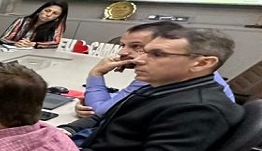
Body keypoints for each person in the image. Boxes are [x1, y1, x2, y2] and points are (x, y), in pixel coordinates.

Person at [67, 28, 244, 151]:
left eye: (157, 55)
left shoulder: (199, 110)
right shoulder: (165, 88)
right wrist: (67, 131)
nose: (140, 60)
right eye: (145, 51)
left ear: (202, 63)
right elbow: (108, 116)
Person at [71, 22, 234, 122]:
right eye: (123, 45)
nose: (123, 53)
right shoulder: (191, 77)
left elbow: (102, 111)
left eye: (136, 47)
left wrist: (96, 75)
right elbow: (114, 108)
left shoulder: (193, 96)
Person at [0, 1, 68, 49]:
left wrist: (33, 44)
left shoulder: (57, 25)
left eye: (55, 13)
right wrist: (16, 43)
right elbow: (3, 39)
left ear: (58, 17)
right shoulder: (22, 21)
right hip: (14, 50)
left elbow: (56, 43)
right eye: (47, 11)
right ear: (40, 10)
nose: (48, 14)